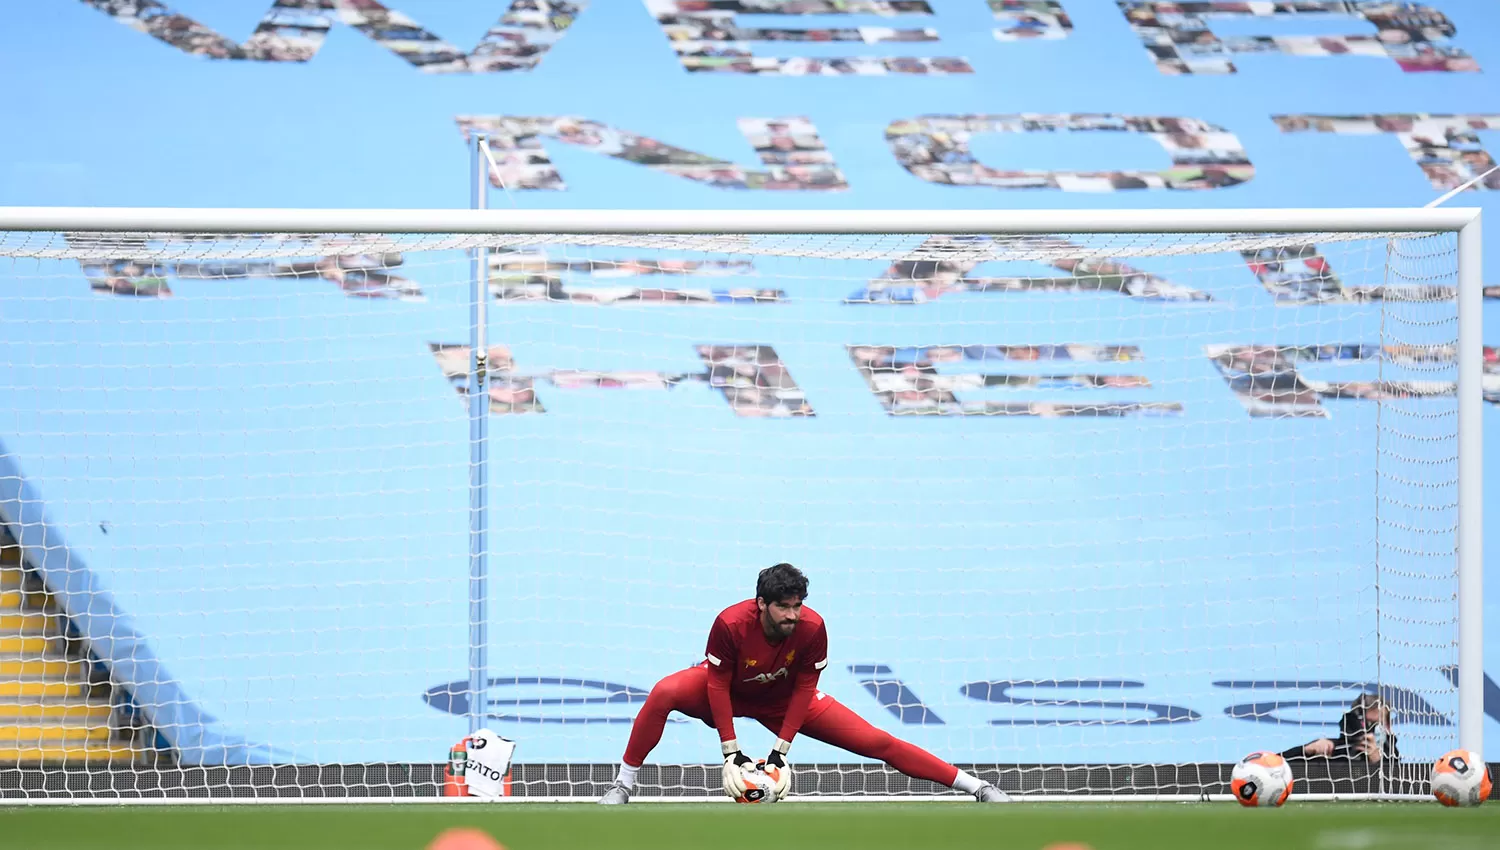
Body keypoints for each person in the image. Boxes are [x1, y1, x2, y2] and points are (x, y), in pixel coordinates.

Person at [598, 564, 1009, 803]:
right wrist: (732, 751)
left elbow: (803, 690)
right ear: (761, 604)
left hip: (781, 700)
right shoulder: (729, 624)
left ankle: (978, 787)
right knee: (665, 692)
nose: (793, 614)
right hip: (726, 692)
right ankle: (623, 785)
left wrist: (779, 751)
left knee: (877, 742)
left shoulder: (813, 628)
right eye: (783, 607)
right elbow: (718, 685)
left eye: (798, 605)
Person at [1282, 693, 1399, 768]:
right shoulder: (1333, 750)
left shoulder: (1391, 754)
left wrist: (1377, 761)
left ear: (1388, 726)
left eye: (1376, 725)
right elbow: (1274, 765)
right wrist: (1305, 751)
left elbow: (1395, 785)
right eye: (1365, 724)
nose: (1369, 734)